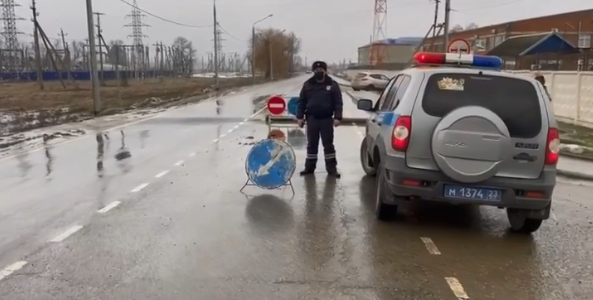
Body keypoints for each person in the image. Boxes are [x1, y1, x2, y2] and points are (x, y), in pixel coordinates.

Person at [296, 61, 343, 177]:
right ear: (313, 72)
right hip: (312, 119)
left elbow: (338, 102)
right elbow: (301, 102)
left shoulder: (332, 85)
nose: (319, 72)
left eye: (321, 70)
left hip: (326, 119)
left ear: (325, 71)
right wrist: (300, 117)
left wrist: (338, 117)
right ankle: (309, 168)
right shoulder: (307, 85)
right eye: (316, 70)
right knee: (312, 144)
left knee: (328, 145)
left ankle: (332, 169)